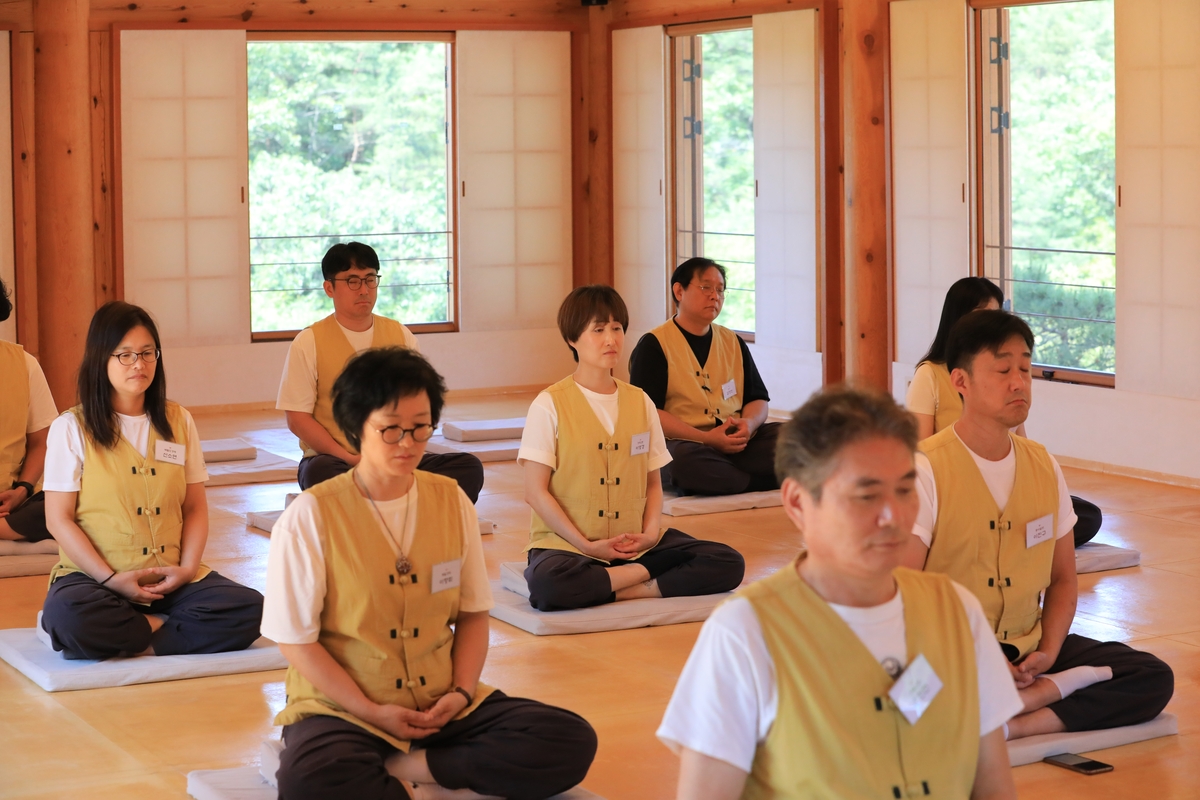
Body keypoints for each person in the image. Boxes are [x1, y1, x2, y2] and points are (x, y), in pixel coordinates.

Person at [264, 346, 597, 800]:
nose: (408, 444)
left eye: (421, 428)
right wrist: (371, 711)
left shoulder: (450, 500)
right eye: (391, 430)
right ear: (356, 426)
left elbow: (474, 616)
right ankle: (410, 770)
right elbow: (296, 642)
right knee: (313, 781)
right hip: (343, 710)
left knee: (568, 739)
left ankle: (409, 764)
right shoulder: (312, 515)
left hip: (440, 701)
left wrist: (460, 694)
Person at [658, 386, 1020, 800]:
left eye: (904, 490)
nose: (893, 517)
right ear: (797, 502)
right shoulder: (746, 631)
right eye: (866, 496)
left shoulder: (957, 610)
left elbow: (993, 786)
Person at [902, 310, 1173, 740]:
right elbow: (903, 593)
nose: (1018, 383)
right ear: (960, 382)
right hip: (950, 651)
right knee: (901, 703)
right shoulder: (925, 468)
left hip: (1028, 646)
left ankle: (1020, 717)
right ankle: (1019, 700)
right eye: (1003, 369)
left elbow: (1064, 579)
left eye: (1026, 369)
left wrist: (1048, 652)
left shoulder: (1042, 463)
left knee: (1149, 675)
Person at [40, 302, 264, 660]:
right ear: (102, 359)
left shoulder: (178, 420)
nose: (139, 365)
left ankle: (140, 635)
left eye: (147, 353)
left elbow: (194, 507)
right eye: (125, 355)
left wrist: (187, 569)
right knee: (69, 616)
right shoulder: (71, 428)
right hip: (97, 579)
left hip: (169, 576)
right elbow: (58, 519)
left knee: (250, 607)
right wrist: (111, 580)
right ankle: (164, 630)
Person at [518, 286, 746, 612]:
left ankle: (624, 587)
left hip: (635, 543)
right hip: (568, 545)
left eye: (617, 328)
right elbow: (535, 492)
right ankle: (648, 577)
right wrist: (587, 545)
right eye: (598, 330)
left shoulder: (641, 401)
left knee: (727, 561)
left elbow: (653, 482)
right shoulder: (549, 404)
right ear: (572, 339)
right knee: (548, 586)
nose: (611, 339)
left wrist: (651, 536)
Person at [276, 242, 484, 501]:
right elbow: (297, 419)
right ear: (329, 288)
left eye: (370, 279)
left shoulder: (401, 335)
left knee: (468, 467)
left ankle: (384, 503)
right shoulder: (309, 341)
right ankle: (397, 504)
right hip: (337, 461)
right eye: (352, 281)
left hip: (397, 459)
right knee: (322, 472)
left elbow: (420, 405)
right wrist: (350, 457)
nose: (364, 289)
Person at [906, 276, 1102, 547]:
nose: (1017, 381)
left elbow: (1020, 443)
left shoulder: (1013, 396)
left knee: (1084, 515)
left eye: (1023, 370)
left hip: (1005, 484)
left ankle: (1003, 538)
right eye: (981, 315)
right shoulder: (930, 373)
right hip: (955, 487)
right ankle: (1002, 537)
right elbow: (919, 449)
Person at [628, 258, 780, 497]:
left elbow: (758, 399)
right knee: (682, 462)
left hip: (736, 442)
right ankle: (757, 481)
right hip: (685, 443)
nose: (715, 296)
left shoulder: (733, 341)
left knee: (794, 439)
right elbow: (648, 412)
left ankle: (729, 478)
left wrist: (748, 426)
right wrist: (706, 438)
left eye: (720, 290)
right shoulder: (654, 344)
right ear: (679, 291)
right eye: (706, 287)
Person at [0, 277, 58, 543]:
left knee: (75, 499)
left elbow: (42, 441)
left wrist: (22, 489)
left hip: (11, 502)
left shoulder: (24, 365)